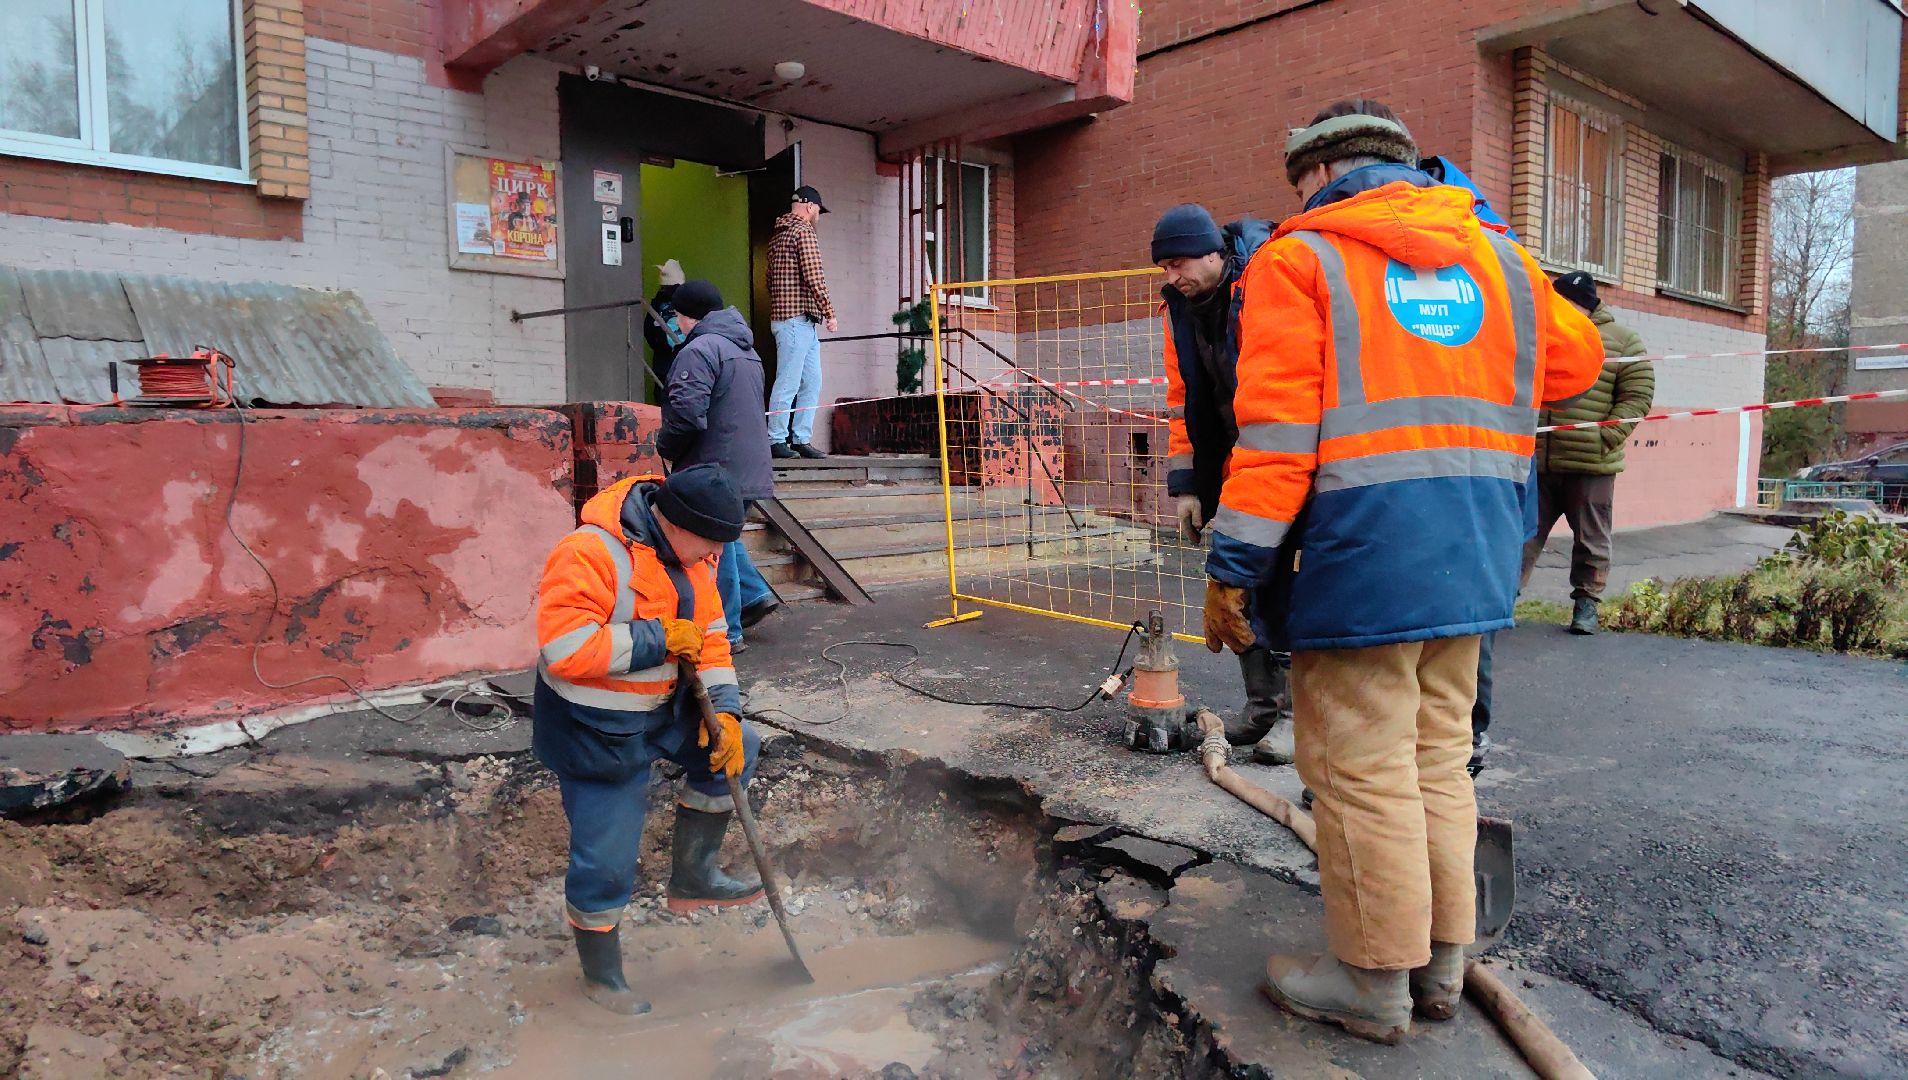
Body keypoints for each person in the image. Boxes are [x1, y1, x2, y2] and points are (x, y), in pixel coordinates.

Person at [1200, 99, 1602, 1043]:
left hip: (1361, 556)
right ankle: (1442, 966)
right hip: (1477, 555)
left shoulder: (1301, 259)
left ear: (1316, 172)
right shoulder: (1498, 258)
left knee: (1361, 766)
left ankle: (1373, 980)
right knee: (1437, 760)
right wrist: (1489, 240)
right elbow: (1577, 363)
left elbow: (1277, 439)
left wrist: (1234, 565)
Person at [532, 464, 766, 1016]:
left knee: (738, 749)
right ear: (677, 524)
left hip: (663, 712)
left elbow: (711, 639)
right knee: (606, 860)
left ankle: (694, 876)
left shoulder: (697, 557)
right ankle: (602, 976)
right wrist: (657, 639)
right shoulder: (589, 553)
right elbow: (564, 649)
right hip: (595, 731)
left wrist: (726, 711)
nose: (717, 554)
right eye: (711, 542)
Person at [1152, 203, 1294, 765]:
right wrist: (1188, 485)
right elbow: (1181, 400)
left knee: (1286, 586)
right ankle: (1262, 711)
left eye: (1179, 263)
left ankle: (1296, 718)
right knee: (1235, 588)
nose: (1172, 277)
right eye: (1165, 268)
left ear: (1214, 254)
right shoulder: (1179, 310)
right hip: (1236, 461)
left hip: (1285, 456)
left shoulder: (1263, 284)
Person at [1522, 271, 1655, 635]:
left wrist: (1605, 438)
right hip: (1537, 459)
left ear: (1579, 303)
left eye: (1561, 302)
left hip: (1591, 463)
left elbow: (1638, 396)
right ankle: (1505, 599)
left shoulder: (1623, 341)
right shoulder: (1540, 330)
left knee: (1592, 539)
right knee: (1522, 535)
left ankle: (1587, 605)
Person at [658, 279, 781, 651]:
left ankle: (725, 630)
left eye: (676, 315)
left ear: (688, 315)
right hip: (748, 464)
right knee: (726, 535)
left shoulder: (699, 350)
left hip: (715, 466)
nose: (675, 323)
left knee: (711, 546)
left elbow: (686, 414)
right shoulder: (745, 350)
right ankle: (754, 595)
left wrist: (665, 446)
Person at [766, 185, 838, 459]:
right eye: (818, 210)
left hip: (792, 320)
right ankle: (778, 438)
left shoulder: (777, 236)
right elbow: (814, 276)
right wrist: (829, 313)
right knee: (791, 382)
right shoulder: (804, 232)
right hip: (797, 321)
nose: (818, 215)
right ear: (810, 206)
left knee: (809, 381)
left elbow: (769, 281)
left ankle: (799, 438)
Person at [642, 258, 687, 387]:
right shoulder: (688, 301)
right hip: (680, 361)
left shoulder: (658, 302)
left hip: (664, 361)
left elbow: (648, 330)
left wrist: (659, 345)